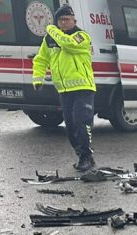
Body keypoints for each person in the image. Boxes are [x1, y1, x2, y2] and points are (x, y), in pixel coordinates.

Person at [32, 5, 95, 172]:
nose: (64, 22)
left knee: (82, 121)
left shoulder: (81, 36)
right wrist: (37, 79)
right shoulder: (50, 39)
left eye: (67, 19)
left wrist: (52, 30)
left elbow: (68, 44)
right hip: (64, 90)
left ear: (74, 20)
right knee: (70, 126)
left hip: (83, 87)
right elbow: (41, 59)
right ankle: (81, 152)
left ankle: (85, 156)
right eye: (60, 20)